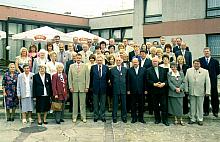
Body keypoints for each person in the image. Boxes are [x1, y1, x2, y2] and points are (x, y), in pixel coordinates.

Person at [185, 59, 211, 126]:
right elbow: (186, 81)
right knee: (192, 106)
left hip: (200, 91)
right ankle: (192, 118)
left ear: (200, 64)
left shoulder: (205, 71)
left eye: (198, 64)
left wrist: (207, 91)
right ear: (193, 64)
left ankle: (200, 119)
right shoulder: (189, 71)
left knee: (200, 106)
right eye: (195, 63)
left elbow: (208, 82)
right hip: (192, 91)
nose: (196, 65)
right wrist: (186, 90)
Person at [146, 57, 169, 126]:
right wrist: (154, 84)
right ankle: (157, 119)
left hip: (162, 90)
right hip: (154, 91)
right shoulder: (148, 70)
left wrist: (164, 84)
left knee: (164, 106)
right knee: (155, 106)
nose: (155, 62)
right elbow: (147, 80)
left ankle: (165, 120)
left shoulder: (164, 69)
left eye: (156, 61)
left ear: (158, 62)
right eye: (153, 61)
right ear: (152, 62)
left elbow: (167, 79)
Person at [68, 54, 90, 123]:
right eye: (77, 58)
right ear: (75, 59)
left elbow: (87, 77)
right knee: (75, 103)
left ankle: (83, 117)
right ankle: (74, 117)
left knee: (82, 103)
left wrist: (87, 87)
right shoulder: (71, 66)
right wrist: (70, 86)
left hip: (83, 87)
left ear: (81, 59)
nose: (78, 59)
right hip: (74, 87)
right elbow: (69, 77)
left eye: (79, 58)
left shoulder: (85, 66)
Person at [199, 47, 220, 117]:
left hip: (213, 81)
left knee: (214, 96)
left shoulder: (215, 61)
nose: (206, 53)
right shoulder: (200, 60)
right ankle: (206, 111)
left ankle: (215, 111)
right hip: (203, 81)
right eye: (205, 51)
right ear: (203, 52)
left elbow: (218, 71)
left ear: (210, 52)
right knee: (205, 96)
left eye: (207, 51)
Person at [127, 58, 147, 123]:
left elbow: (145, 80)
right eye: (134, 62)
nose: (135, 63)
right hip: (133, 90)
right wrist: (128, 90)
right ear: (132, 63)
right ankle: (134, 118)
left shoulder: (143, 69)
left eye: (136, 62)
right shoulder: (129, 70)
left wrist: (145, 89)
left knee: (141, 104)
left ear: (138, 62)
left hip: (141, 90)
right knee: (133, 104)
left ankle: (141, 118)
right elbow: (128, 81)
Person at [90, 55, 109, 122]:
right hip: (95, 88)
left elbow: (107, 78)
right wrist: (91, 87)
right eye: (98, 60)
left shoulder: (106, 68)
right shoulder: (93, 67)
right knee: (95, 103)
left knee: (103, 103)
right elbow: (91, 78)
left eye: (100, 60)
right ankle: (96, 116)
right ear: (96, 61)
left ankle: (102, 116)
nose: (99, 61)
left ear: (102, 61)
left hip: (103, 88)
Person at [110, 57, 127, 123]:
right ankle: (114, 117)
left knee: (124, 104)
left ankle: (124, 117)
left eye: (119, 60)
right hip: (115, 89)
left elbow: (126, 79)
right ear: (115, 61)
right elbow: (111, 80)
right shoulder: (112, 70)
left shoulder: (125, 69)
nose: (118, 61)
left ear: (121, 61)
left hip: (123, 89)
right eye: (117, 60)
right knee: (115, 104)